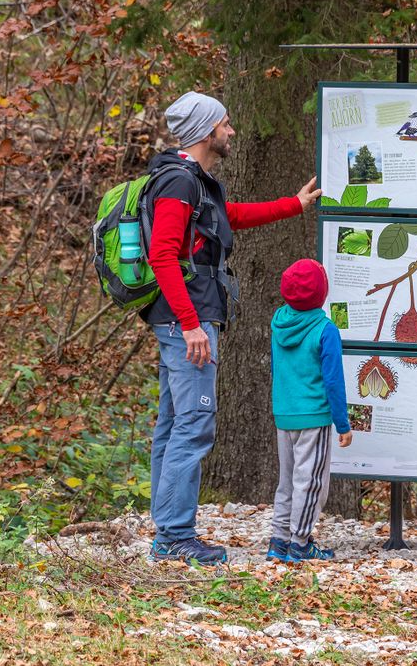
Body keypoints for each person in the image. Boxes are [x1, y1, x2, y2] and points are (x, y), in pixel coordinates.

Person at [145, 91, 322, 564]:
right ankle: (176, 537)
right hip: (188, 320)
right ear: (206, 132)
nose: (231, 131)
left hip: (186, 318)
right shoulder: (180, 184)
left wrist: (292, 206)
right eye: (225, 123)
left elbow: (229, 218)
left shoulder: (194, 182)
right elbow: (162, 253)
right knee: (194, 425)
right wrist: (190, 325)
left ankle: (168, 529)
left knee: (174, 423)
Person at [266, 259, 353, 562]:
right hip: (314, 416)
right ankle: (300, 542)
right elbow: (333, 381)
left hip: (285, 412)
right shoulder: (325, 330)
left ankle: (279, 539)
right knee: (311, 480)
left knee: (287, 478)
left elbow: (277, 367)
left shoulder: (278, 321)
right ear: (322, 293)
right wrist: (342, 423)